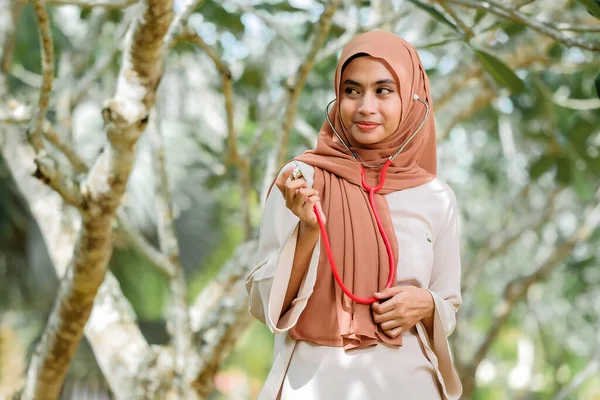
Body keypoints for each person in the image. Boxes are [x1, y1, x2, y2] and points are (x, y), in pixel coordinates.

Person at [245, 30, 463, 400]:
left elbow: (448, 304)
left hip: (410, 385)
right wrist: (309, 230)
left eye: (383, 90)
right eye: (351, 90)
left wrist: (426, 304)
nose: (365, 106)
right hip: (313, 385)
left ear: (411, 98)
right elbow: (264, 305)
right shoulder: (301, 179)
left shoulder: (436, 196)